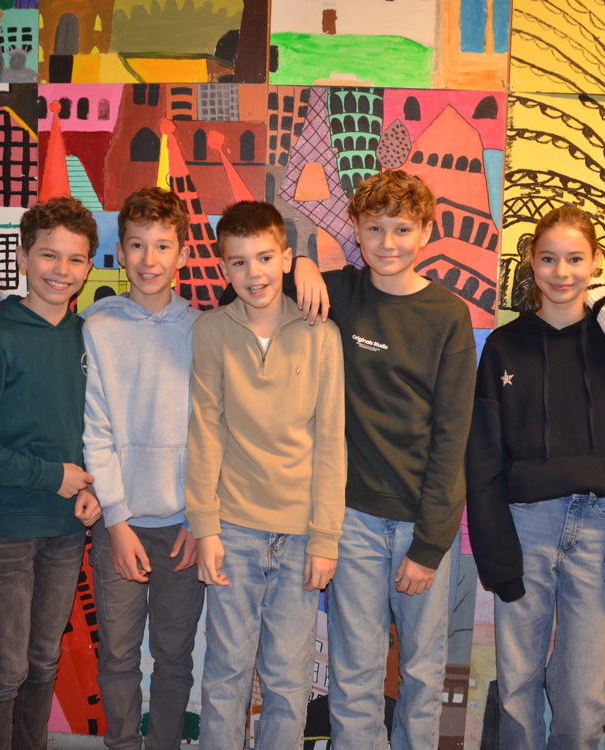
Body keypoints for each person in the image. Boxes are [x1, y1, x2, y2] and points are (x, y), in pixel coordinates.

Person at [293, 169, 477, 750]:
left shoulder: (448, 315)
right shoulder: (341, 295)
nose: (388, 242)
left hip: (424, 523)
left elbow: (453, 435)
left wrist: (430, 544)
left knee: (422, 672)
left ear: (426, 231)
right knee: (355, 671)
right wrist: (299, 264)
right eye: (374, 228)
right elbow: (246, 287)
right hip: (352, 520)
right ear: (355, 229)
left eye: (402, 229)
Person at [466, 205, 605, 750]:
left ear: (596, 262)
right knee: (516, 683)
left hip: (599, 528)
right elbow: (484, 457)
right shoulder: (503, 345)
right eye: (548, 259)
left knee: (583, 694)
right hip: (525, 527)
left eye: (575, 259)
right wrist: (496, 555)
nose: (561, 272)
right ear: (531, 263)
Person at [185, 200, 346, 750]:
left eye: (264, 258)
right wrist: (205, 528)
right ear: (223, 268)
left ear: (286, 259)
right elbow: (205, 431)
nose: (253, 273)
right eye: (238, 262)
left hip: (301, 536)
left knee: (287, 679)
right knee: (226, 673)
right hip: (233, 530)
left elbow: (331, 443)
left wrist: (325, 537)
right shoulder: (211, 331)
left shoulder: (322, 334)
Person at [0, 196, 102, 750]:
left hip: (65, 530)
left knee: (43, 661)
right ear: (22, 257)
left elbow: (98, 428)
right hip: (7, 530)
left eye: (75, 259)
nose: (62, 270)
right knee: (7, 669)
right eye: (49, 255)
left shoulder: (87, 336)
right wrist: (49, 477)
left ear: (89, 266)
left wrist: (95, 486)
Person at [82, 187, 205, 750]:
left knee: (175, 656)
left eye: (162, 246)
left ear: (182, 253)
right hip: (120, 524)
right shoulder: (96, 326)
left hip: (183, 527)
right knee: (118, 654)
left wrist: (199, 518)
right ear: (120, 250)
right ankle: (123, 744)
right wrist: (117, 519)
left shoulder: (204, 330)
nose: (148, 259)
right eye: (136, 245)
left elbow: (213, 432)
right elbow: (95, 430)